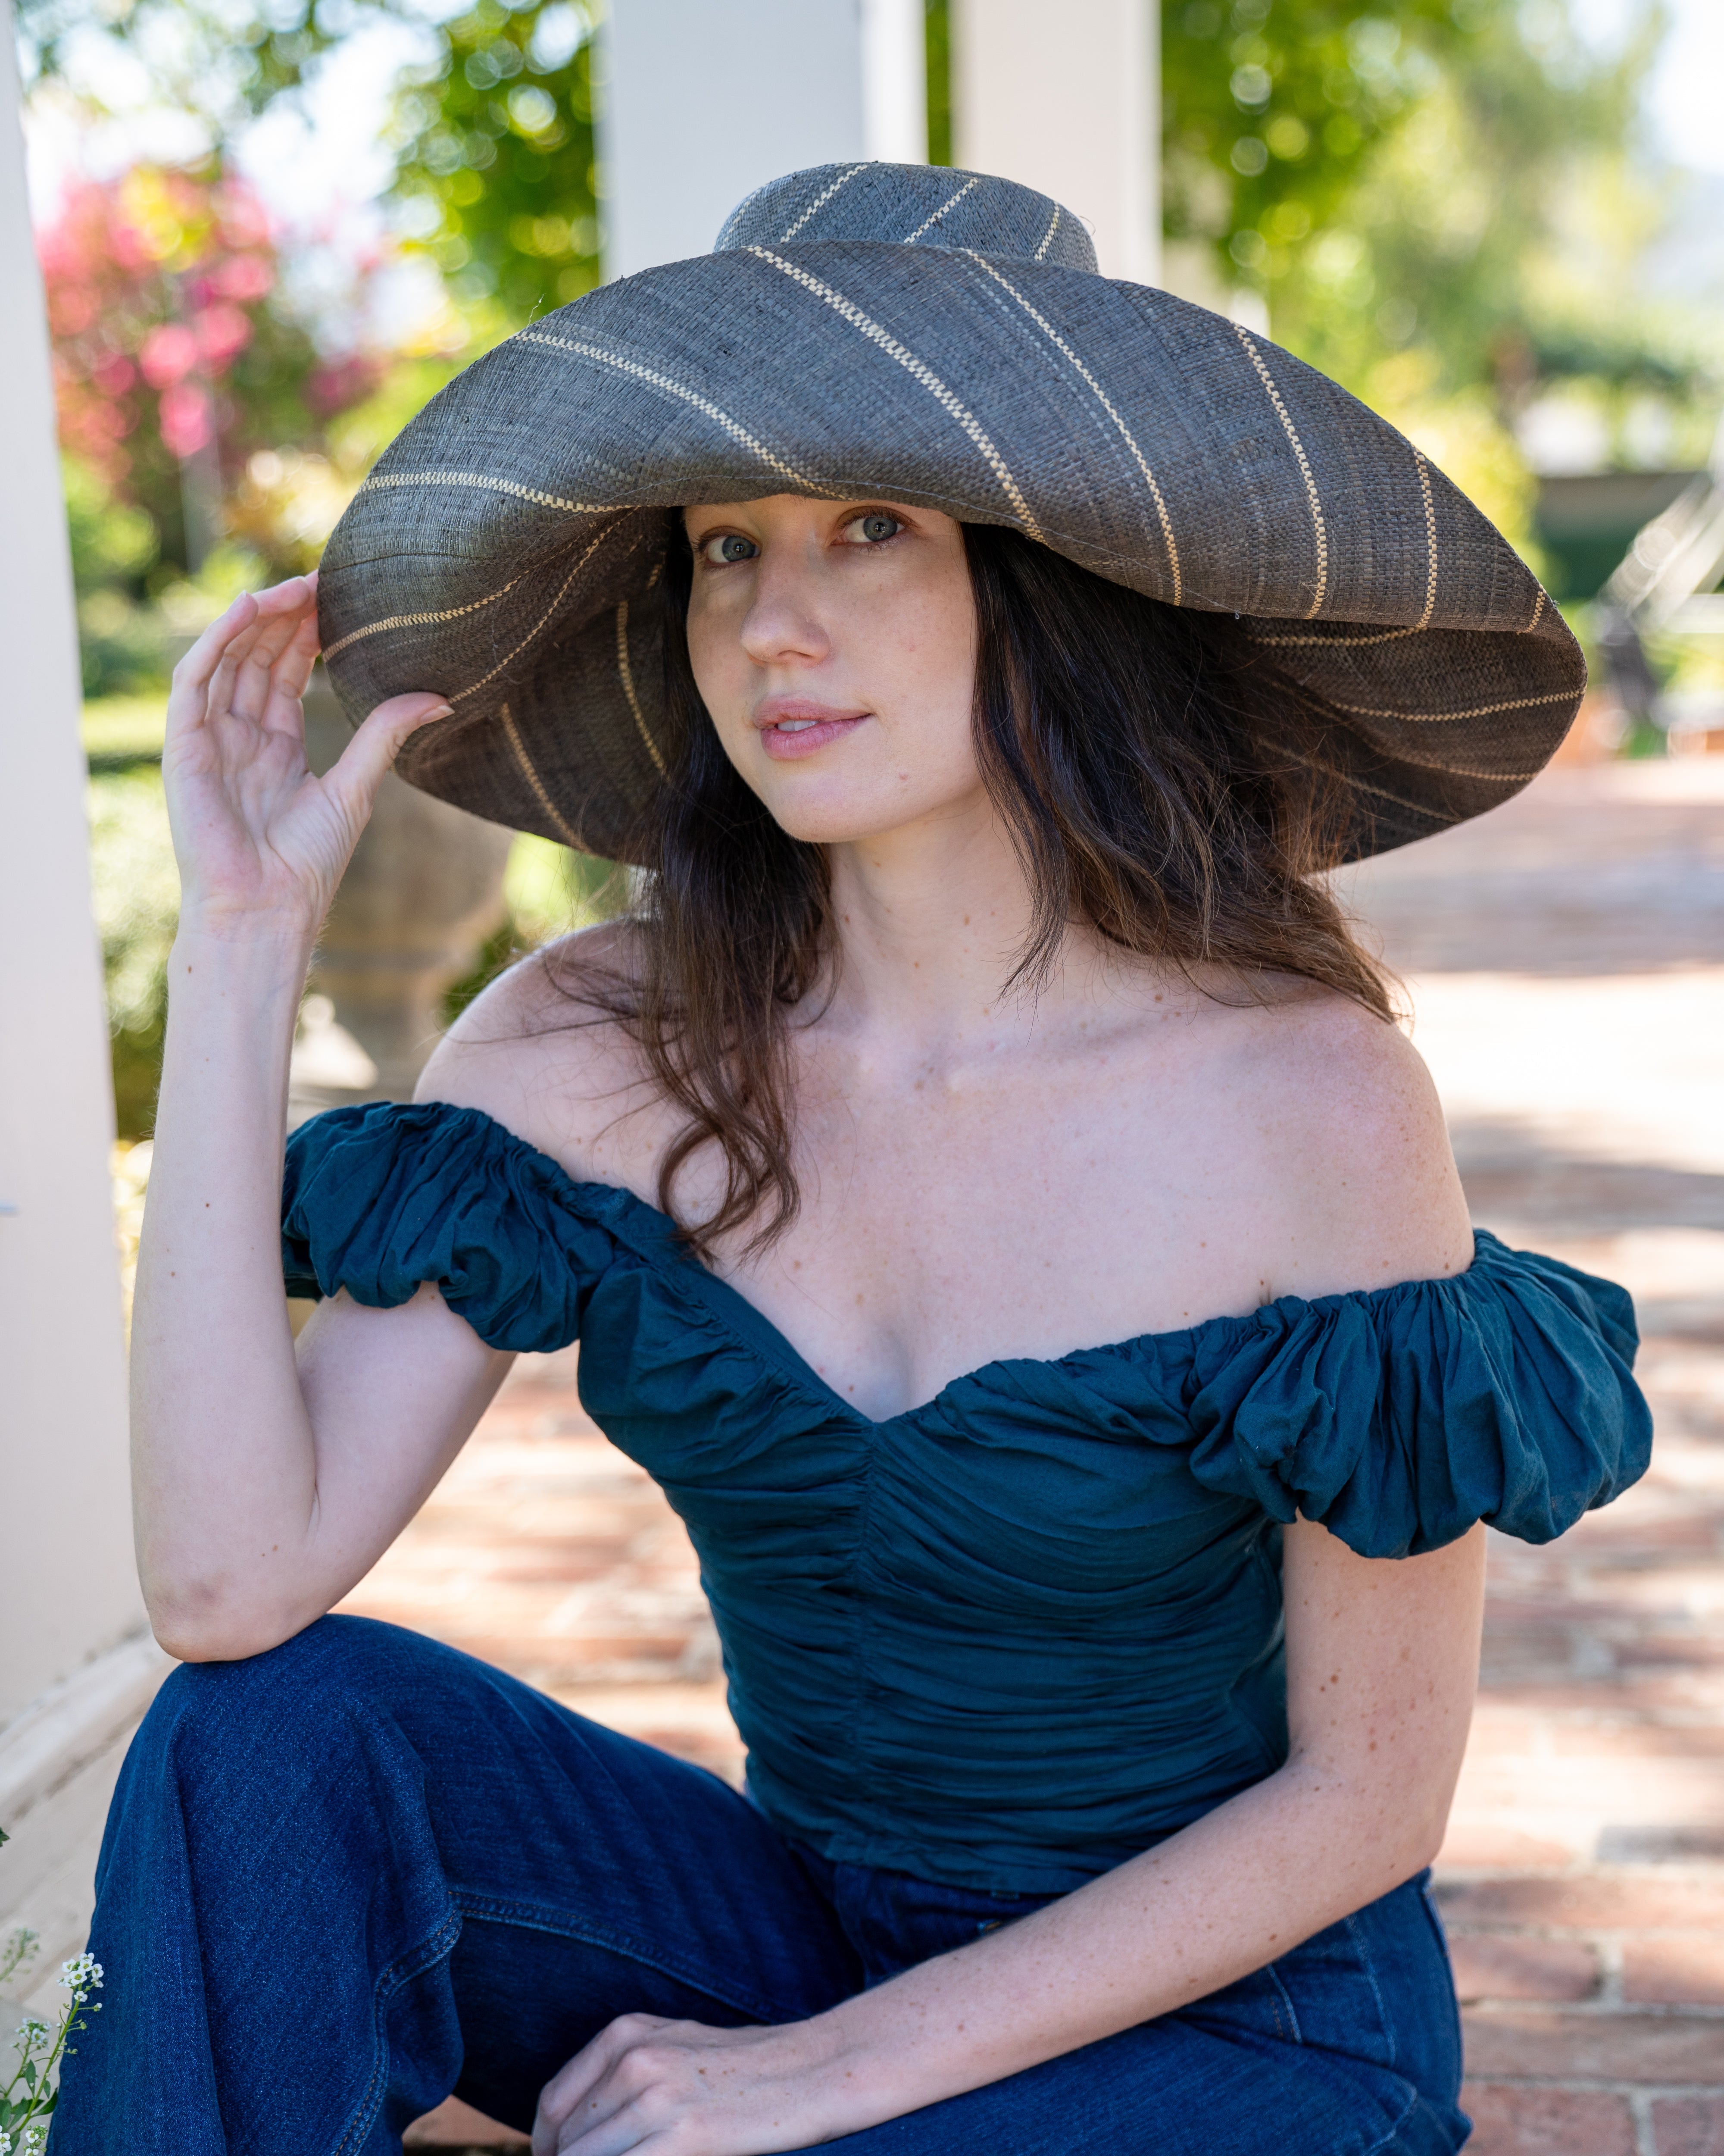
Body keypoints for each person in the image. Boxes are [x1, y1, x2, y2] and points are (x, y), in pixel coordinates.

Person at [57, 165, 1649, 2156]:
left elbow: (1367, 1802)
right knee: (265, 1737)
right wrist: (240, 952)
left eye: (869, 529)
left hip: (1236, 2026)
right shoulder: (595, 1045)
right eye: (725, 547)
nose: (769, 622)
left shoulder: (1303, 1103)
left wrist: (822, 2074)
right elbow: (228, 1586)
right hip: (803, 1926)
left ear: (1046, 584)